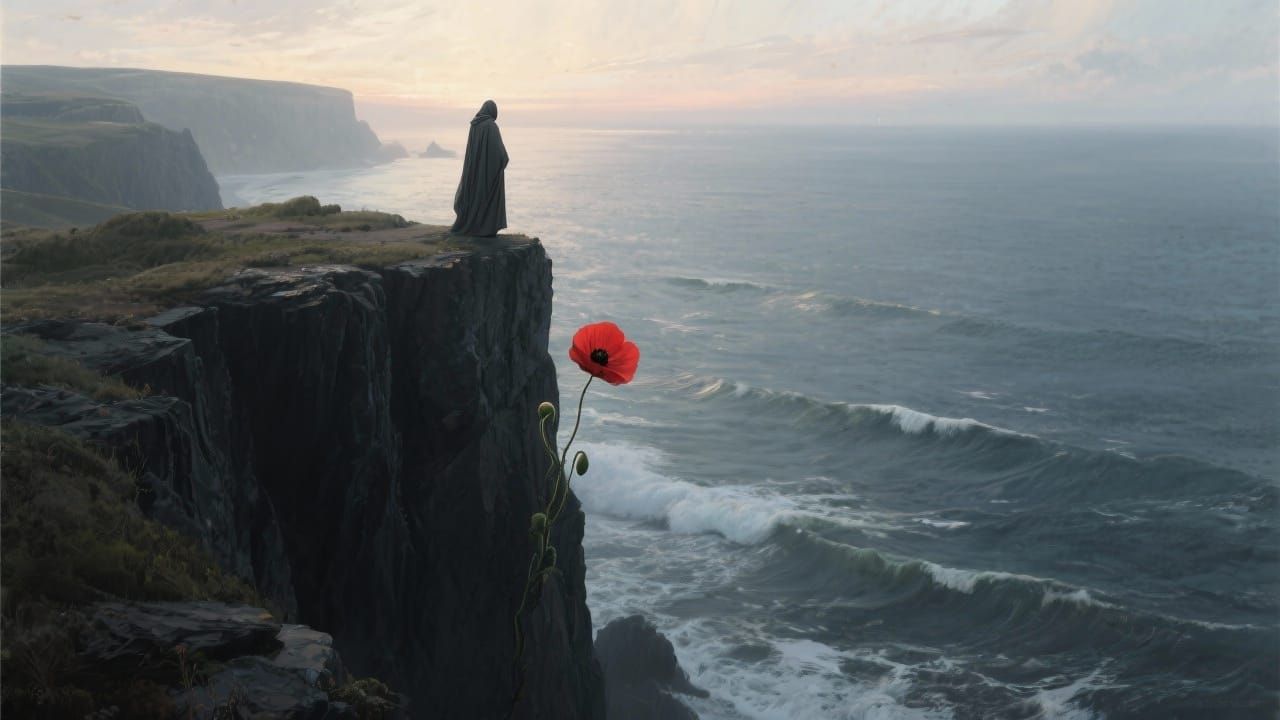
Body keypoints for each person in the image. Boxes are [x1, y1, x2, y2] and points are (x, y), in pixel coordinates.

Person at [450, 99, 508, 236]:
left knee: (477, 196)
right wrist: (503, 161)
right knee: (487, 197)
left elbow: (472, 151)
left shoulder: (474, 125)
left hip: (475, 171)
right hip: (488, 172)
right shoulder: (491, 126)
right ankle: (486, 228)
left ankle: (475, 226)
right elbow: (500, 153)